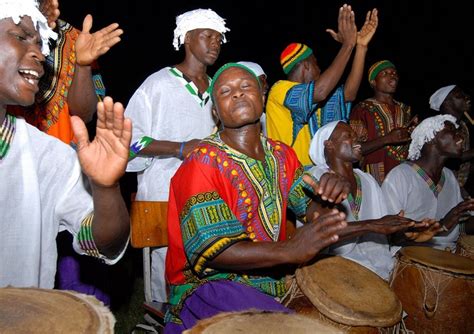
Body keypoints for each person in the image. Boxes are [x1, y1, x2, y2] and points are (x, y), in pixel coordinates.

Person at [164, 63, 353, 333]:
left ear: (262, 98)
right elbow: (215, 250)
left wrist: (329, 195)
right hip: (209, 286)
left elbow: (312, 211)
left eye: (245, 86)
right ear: (216, 112)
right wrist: (289, 250)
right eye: (226, 91)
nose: (238, 94)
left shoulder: (282, 155)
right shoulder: (201, 162)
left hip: (270, 281)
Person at [0, 0, 130, 289]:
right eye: (21, 38)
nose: (39, 53)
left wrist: (105, 187)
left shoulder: (72, 37)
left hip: (60, 162)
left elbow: (83, 112)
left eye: (40, 44)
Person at [125, 8, 229, 304]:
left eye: (219, 38)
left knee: (211, 264)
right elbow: (129, 140)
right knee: (169, 273)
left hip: (210, 193)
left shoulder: (219, 89)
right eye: (208, 36)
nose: (215, 44)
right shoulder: (157, 84)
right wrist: (179, 148)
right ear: (186, 38)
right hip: (164, 192)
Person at [308, 121, 437, 280]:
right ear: (329, 144)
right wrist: (373, 225)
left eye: (357, 137)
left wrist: (407, 233)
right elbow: (317, 232)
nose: (357, 142)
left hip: (378, 270)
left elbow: (383, 230)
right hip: (333, 272)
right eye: (349, 136)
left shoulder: (367, 179)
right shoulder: (317, 177)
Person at [266, 4, 378, 166]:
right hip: (293, 179)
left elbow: (349, 93)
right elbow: (321, 91)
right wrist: (348, 45)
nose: (320, 70)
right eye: (316, 64)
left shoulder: (316, 100)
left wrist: (360, 47)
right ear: (306, 66)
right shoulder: (279, 90)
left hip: (321, 175)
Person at [9, 0, 123, 146]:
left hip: (61, 155)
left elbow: (85, 115)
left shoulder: (77, 39)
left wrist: (83, 65)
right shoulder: (5, 29)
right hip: (10, 150)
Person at [382, 115, 474, 250]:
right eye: (451, 130)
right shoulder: (401, 176)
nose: (460, 136)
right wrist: (442, 223)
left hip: (448, 253)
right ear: (431, 139)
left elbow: (460, 227)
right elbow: (392, 235)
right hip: (410, 256)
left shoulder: (449, 176)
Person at [349, 60, 414, 184]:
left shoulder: (405, 109)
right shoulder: (363, 109)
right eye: (385, 73)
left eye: (394, 73)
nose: (392, 75)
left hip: (405, 175)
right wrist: (387, 139)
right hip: (376, 176)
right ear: (373, 82)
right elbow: (354, 149)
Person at [430, 84, 474, 198]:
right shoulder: (439, 127)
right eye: (460, 95)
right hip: (441, 184)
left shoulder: (463, 125)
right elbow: (450, 159)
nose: (467, 97)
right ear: (446, 102)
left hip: (458, 184)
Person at [237, 61, 269, 135]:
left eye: (265, 81)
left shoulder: (267, 120)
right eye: (261, 81)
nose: (266, 86)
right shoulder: (227, 122)